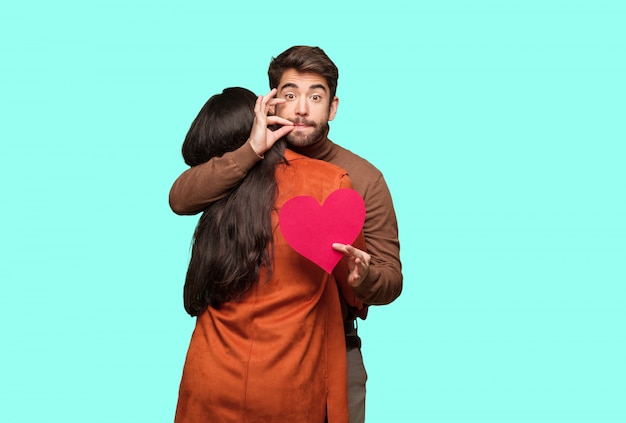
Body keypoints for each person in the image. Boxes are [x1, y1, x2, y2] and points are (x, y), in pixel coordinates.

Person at [170, 46, 403, 422]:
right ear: (271, 103)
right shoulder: (246, 162)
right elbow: (181, 197)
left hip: (335, 346)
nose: (301, 108)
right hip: (245, 356)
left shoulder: (361, 178)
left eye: (315, 96)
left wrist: (366, 277)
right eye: (290, 95)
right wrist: (251, 150)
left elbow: (391, 278)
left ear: (333, 108)